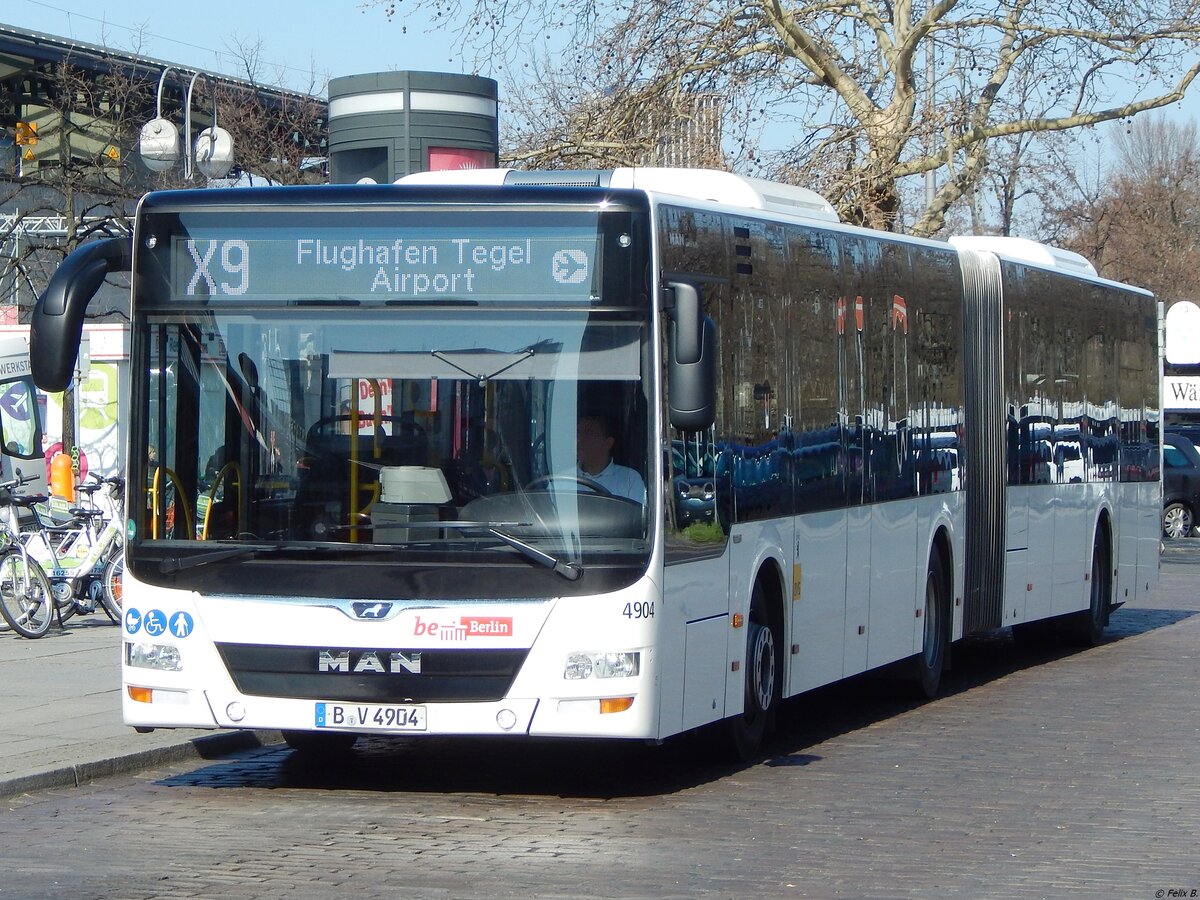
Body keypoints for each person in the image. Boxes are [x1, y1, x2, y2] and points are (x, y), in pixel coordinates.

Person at [576, 415, 646, 504]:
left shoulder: (630, 479)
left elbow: (637, 517)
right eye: (578, 433)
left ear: (608, 443)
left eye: (588, 433)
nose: (579, 439)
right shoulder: (563, 480)